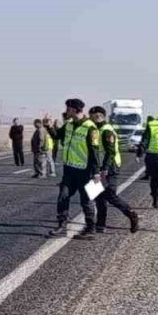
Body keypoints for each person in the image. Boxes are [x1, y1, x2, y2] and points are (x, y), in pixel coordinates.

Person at [49, 98, 100, 239]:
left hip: (85, 171)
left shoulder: (91, 128)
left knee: (86, 200)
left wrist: (96, 173)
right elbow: (57, 136)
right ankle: (62, 226)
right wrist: (48, 126)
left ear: (75, 109)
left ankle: (91, 229)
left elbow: (95, 151)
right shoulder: (69, 125)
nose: (66, 111)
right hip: (69, 170)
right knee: (63, 196)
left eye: (68, 109)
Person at [90, 106, 140, 234]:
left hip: (109, 167)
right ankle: (100, 225)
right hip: (99, 166)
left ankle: (131, 213)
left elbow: (110, 152)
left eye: (92, 115)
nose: (90, 118)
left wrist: (105, 168)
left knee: (109, 195)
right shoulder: (96, 129)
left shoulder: (107, 130)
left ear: (98, 116)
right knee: (98, 196)